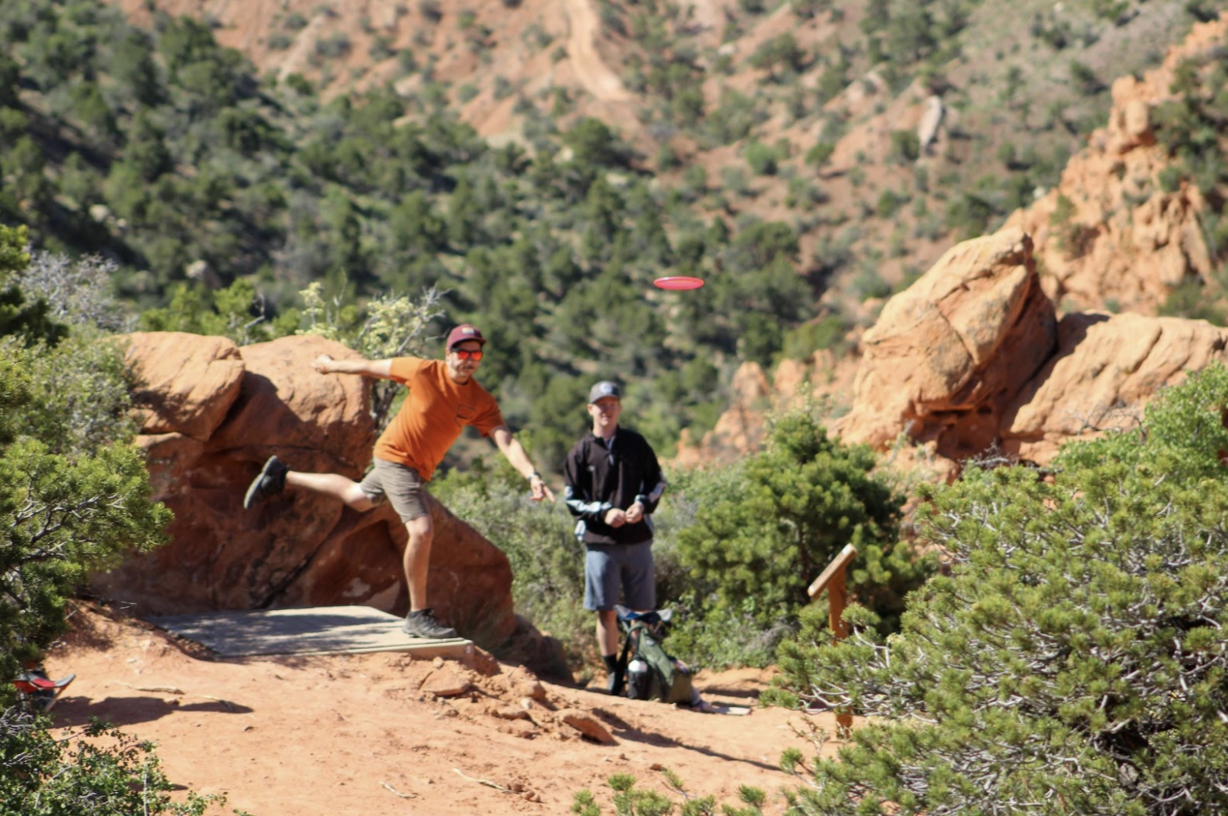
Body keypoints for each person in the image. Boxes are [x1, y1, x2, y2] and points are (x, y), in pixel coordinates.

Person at [243, 324, 555, 639]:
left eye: (475, 353)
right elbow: (371, 367)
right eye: (462, 351)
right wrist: (330, 365)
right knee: (422, 529)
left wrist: (532, 475)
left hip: (414, 468)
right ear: (448, 354)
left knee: (358, 497)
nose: (469, 359)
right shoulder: (422, 371)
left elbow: (506, 440)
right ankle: (418, 615)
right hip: (396, 458)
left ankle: (281, 476)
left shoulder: (479, 400)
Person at [563, 381, 666, 693]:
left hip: (637, 541)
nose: (606, 410)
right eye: (600, 404)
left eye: (612, 404)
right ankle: (613, 674)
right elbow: (571, 499)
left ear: (619, 407)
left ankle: (641, 673)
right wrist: (603, 512)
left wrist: (641, 504)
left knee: (642, 613)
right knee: (605, 610)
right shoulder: (581, 452)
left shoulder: (636, 444)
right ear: (590, 409)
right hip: (599, 543)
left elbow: (657, 482)